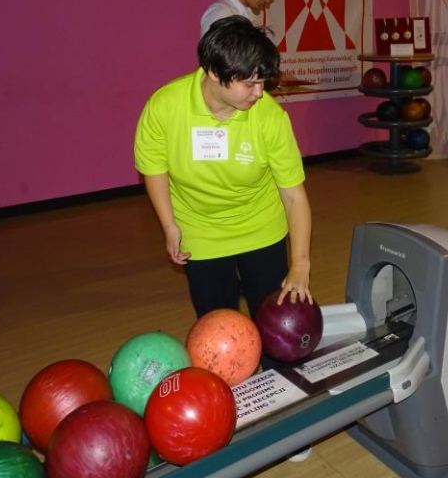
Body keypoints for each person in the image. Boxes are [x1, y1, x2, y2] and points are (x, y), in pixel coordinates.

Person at [134, 16, 313, 323]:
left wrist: (300, 264)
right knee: (218, 327)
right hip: (200, 231)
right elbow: (155, 168)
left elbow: (294, 196)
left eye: (262, 82)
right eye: (250, 84)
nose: (259, 93)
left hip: (261, 227)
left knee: (273, 326)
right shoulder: (164, 107)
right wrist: (169, 225)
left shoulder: (270, 117)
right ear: (215, 73)